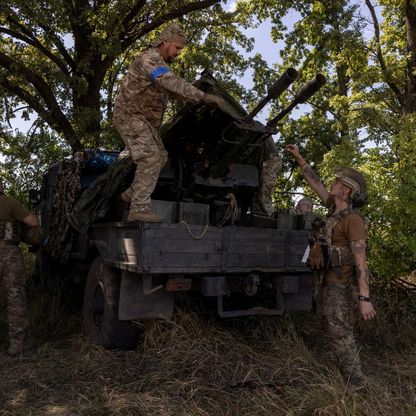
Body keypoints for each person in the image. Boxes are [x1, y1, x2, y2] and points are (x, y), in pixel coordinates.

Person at [113, 24, 226, 222]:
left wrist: (198, 99)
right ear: (165, 42)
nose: (178, 53)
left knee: (161, 157)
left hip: (142, 121)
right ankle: (138, 208)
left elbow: (173, 92)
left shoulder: (160, 63)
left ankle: (131, 194)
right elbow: (170, 82)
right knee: (149, 157)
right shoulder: (151, 59)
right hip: (129, 116)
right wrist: (203, 96)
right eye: (177, 48)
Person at [285, 144, 376, 389]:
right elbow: (314, 181)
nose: (332, 183)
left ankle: (357, 384)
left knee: (340, 332)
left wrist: (364, 297)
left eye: (337, 181)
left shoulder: (352, 220)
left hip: (340, 286)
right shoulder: (332, 209)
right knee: (330, 328)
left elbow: (361, 260)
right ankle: (345, 375)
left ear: (346, 191)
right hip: (325, 283)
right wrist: (299, 157)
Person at [0, 178, 40, 356]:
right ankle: (19, 343)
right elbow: (33, 222)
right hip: (7, 253)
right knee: (15, 297)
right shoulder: (8, 202)